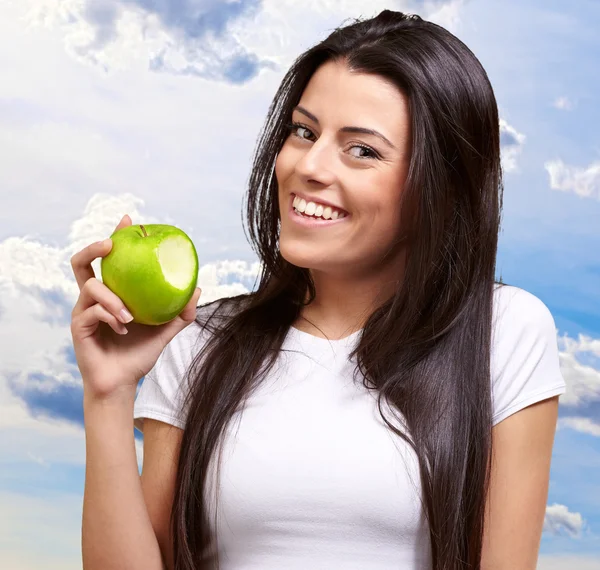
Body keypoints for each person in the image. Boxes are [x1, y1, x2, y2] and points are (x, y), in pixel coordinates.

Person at [71, 9, 567, 570]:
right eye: (304, 131)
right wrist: (108, 395)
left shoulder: (505, 333)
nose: (308, 165)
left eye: (362, 150)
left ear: (440, 186)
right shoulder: (200, 341)